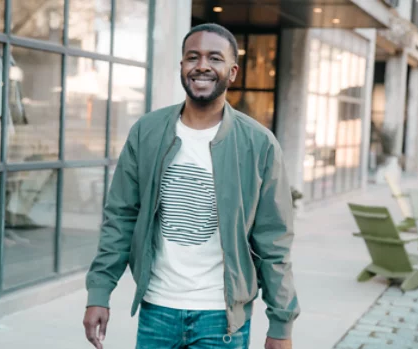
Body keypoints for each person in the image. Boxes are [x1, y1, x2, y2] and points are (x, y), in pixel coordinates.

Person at [83, 23, 300, 349]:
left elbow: (274, 241)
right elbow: (120, 217)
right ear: (182, 66)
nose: (202, 65)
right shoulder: (148, 131)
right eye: (192, 57)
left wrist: (281, 323)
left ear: (232, 72)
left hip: (222, 316)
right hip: (157, 308)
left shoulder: (258, 144)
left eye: (215, 58)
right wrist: (99, 292)